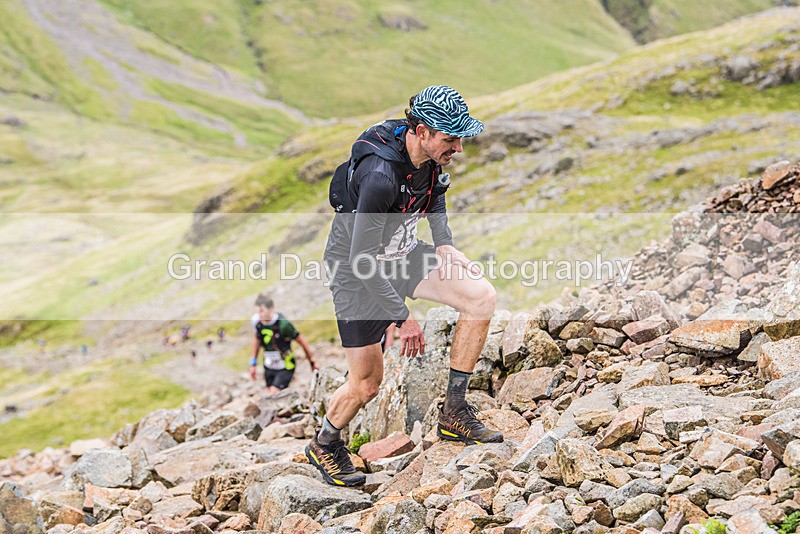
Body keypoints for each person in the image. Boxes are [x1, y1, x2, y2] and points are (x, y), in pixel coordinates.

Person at [305, 85, 502, 487]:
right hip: (356, 273)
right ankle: (325, 443)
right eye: (451, 139)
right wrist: (402, 316)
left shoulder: (428, 154)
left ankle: (453, 412)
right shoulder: (380, 175)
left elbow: (437, 195)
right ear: (422, 131)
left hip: (403, 253)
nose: (459, 148)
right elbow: (362, 259)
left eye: (460, 138)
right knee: (366, 385)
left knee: (481, 297)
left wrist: (444, 244)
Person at [249, 293, 318, 394]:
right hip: (269, 365)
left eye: (262, 311)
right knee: (271, 394)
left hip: (286, 365)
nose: (260, 315)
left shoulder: (284, 325)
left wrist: (312, 362)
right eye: (258, 312)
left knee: (274, 392)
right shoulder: (257, 323)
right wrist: (253, 363)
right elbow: (257, 340)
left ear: (271, 309)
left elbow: (301, 341)